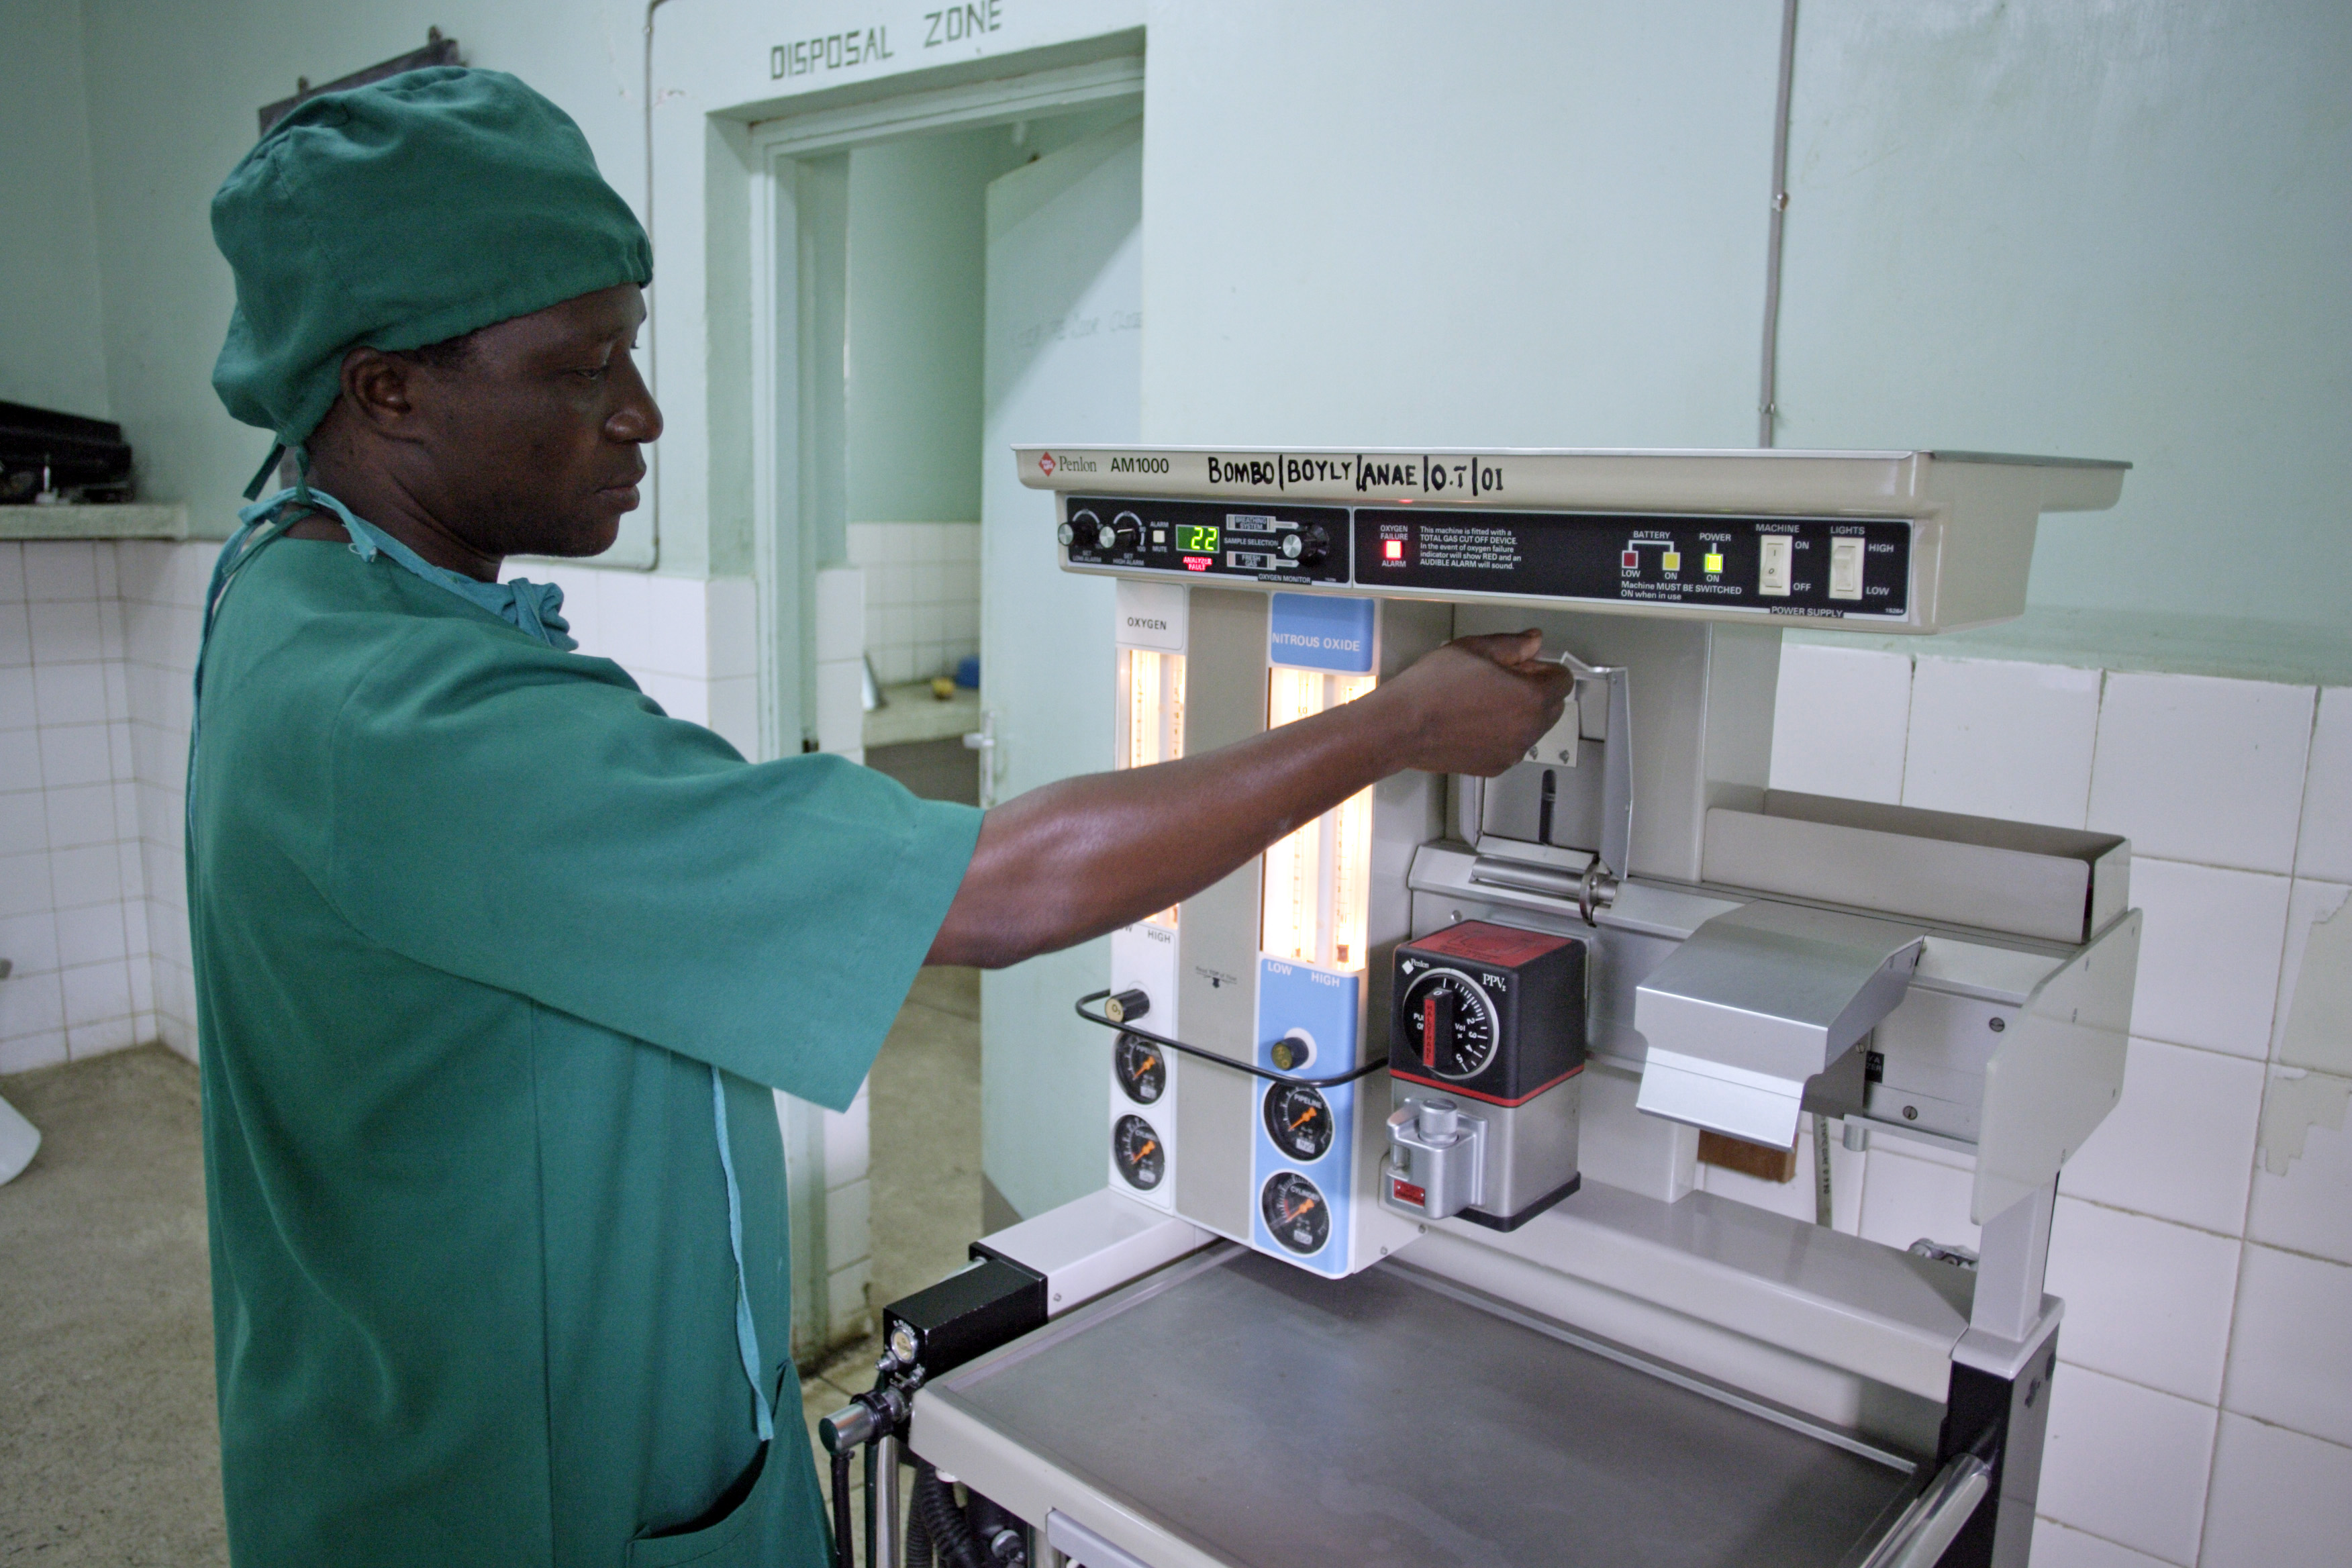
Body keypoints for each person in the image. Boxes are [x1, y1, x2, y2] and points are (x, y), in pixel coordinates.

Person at [193, 66, 1569, 1567]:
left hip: (405, 1406)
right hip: (508, 1495)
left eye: (631, 348)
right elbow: (993, 890)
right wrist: (1400, 724)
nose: (641, 414)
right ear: (386, 386)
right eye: (585, 367)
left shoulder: (296, 575)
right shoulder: (411, 722)